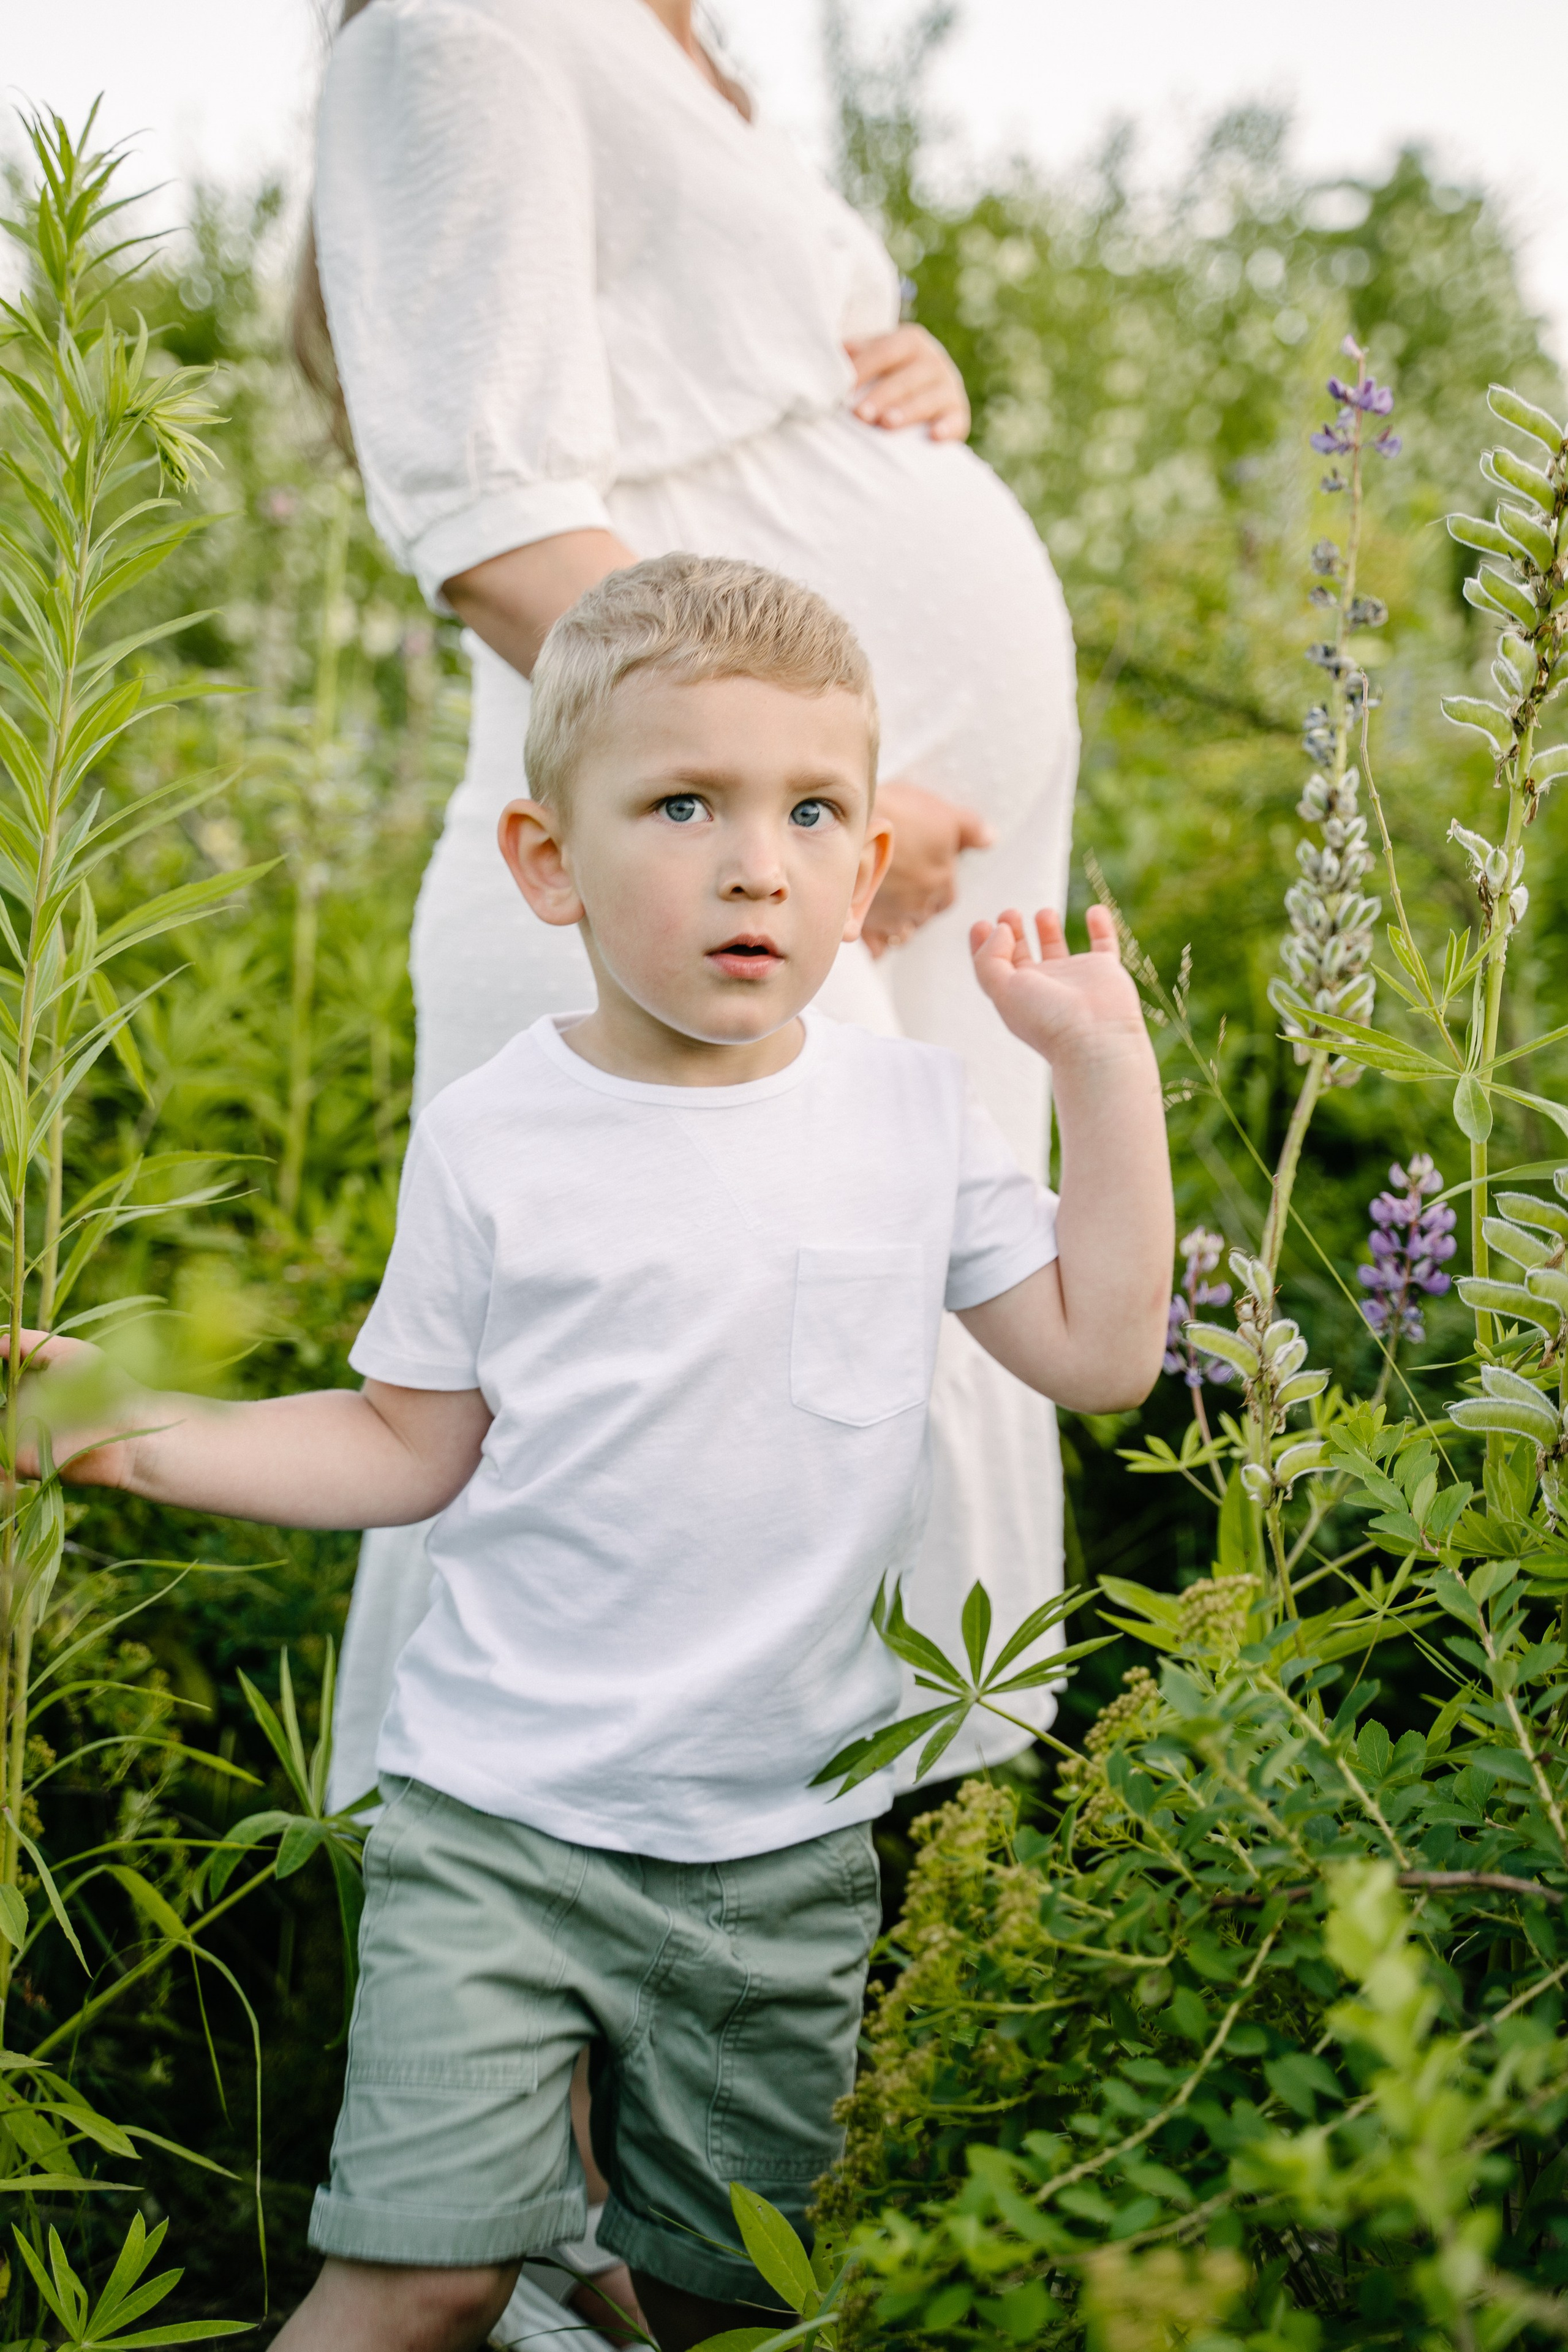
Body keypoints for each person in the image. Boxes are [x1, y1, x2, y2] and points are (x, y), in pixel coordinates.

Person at [17, 560, 1172, 2352]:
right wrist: (131, 1435)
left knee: (731, 2299)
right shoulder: (499, 1138)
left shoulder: (912, 1120)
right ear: (548, 861)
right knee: (422, 2281)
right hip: (500, 1827)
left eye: (812, 813)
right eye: (684, 804)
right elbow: (405, 1446)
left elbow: (1101, 1357)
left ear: (871, 866)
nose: (756, 864)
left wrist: (1104, 1075)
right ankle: (520, 2261)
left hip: (785, 1847)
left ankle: (612, 2277)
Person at [303, 0, 1082, 1830]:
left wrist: (885, 379)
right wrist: (812, 811)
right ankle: (515, 2001)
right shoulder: (456, 25)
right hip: (707, 887)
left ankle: (851, 1985)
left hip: (817, 879)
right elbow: (495, 522)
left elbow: (688, 372)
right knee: (636, 1506)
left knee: (866, 1439)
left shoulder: (675, 37)